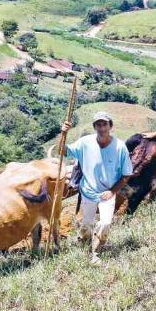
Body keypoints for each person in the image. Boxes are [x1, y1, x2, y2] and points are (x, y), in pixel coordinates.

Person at [61, 111, 133, 264]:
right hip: (88, 191)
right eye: (98, 125)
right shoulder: (85, 142)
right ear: (95, 127)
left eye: (104, 124)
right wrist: (63, 133)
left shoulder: (120, 147)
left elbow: (126, 175)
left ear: (110, 126)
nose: (102, 128)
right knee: (87, 223)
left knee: (105, 223)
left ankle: (96, 253)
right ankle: (84, 241)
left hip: (107, 193)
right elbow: (63, 151)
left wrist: (112, 191)